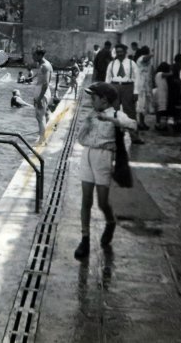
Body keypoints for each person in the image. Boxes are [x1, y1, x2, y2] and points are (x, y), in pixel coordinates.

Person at [73, 82, 137, 260]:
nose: (91, 101)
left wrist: (112, 121)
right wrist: (86, 123)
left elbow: (133, 125)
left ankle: (110, 221)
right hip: (88, 155)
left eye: (93, 98)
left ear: (104, 100)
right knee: (86, 199)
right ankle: (84, 239)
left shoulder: (116, 114)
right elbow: (80, 139)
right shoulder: (92, 115)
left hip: (104, 157)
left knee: (102, 202)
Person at [105, 44, 144, 144]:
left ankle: (135, 137)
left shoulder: (132, 63)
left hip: (128, 87)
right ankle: (112, 136)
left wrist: (135, 92)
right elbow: (108, 78)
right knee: (113, 112)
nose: (119, 54)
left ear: (125, 52)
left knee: (130, 112)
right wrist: (107, 91)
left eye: (121, 52)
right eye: (117, 52)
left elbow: (137, 78)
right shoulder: (112, 64)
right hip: (114, 87)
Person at [32, 47, 53, 145]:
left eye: (34, 55)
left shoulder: (45, 66)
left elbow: (45, 84)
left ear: (40, 55)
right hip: (39, 91)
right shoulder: (41, 65)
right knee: (39, 116)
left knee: (41, 117)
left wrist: (40, 98)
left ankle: (42, 140)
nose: (33, 57)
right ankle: (42, 137)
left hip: (42, 93)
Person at [134, 46, 154, 131]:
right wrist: (152, 54)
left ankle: (142, 122)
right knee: (140, 105)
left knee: (144, 106)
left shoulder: (147, 60)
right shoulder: (140, 59)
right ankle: (139, 123)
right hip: (140, 85)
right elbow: (145, 58)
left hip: (145, 85)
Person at [154, 62, 171, 131]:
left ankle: (160, 124)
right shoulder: (160, 74)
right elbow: (170, 74)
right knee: (160, 109)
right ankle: (159, 124)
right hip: (160, 93)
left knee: (160, 109)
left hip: (161, 93)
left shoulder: (158, 74)